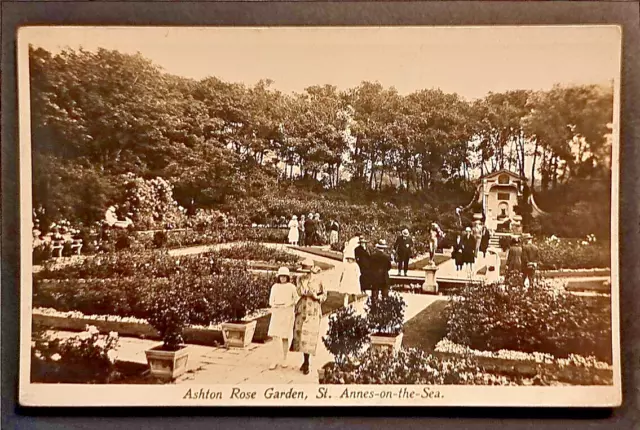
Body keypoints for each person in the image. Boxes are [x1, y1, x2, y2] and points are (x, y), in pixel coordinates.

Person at [291, 259, 326, 375]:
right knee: (301, 335)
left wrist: (317, 297)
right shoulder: (300, 279)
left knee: (310, 336)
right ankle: (305, 360)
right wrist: (306, 290)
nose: (306, 274)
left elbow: (324, 294)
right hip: (302, 308)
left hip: (314, 309)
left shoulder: (319, 279)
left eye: (308, 271)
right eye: (304, 271)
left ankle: (307, 363)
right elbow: (299, 292)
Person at [267, 267, 299, 370]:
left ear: (287, 277)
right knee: (275, 337)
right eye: (281, 276)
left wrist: (289, 303)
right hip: (277, 313)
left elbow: (296, 298)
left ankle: (284, 358)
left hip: (287, 314)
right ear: (279, 277)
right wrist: (275, 304)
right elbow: (271, 300)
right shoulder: (275, 287)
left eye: (285, 277)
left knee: (285, 337)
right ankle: (274, 360)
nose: (283, 278)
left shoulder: (291, 287)